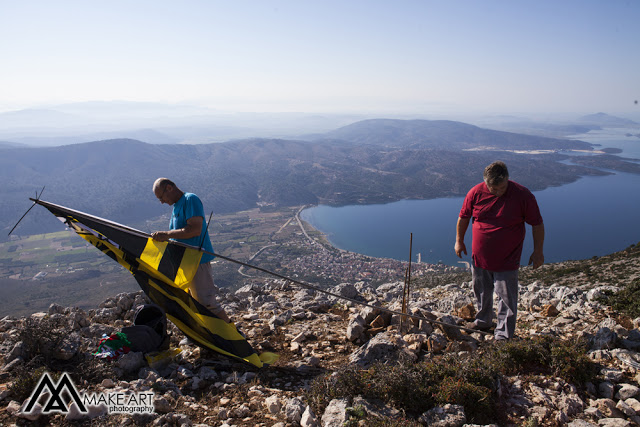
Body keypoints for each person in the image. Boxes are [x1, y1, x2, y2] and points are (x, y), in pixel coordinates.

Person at [455, 161, 544, 340]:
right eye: (492, 188)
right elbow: (464, 216)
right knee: (481, 290)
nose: (496, 192)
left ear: (508, 180)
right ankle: (483, 321)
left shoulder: (523, 195)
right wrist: (459, 241)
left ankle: (503, 335)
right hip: (480, 256)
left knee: (506, 296)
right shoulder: (476, 192)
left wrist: (538, 251)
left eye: (501, 188)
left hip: (507, 258)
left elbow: (537, 224)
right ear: (485, 182)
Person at [151, 178, 231, 323]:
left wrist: (166, 235)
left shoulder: (190, 199)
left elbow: (194, 230)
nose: (162, 202)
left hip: (197, 260)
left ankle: (235, 337)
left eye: (161, 197)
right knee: (194, 302)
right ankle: (210, 335)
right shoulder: (176, 206)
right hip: (186, 261)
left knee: (207, 303)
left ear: (169, 188)